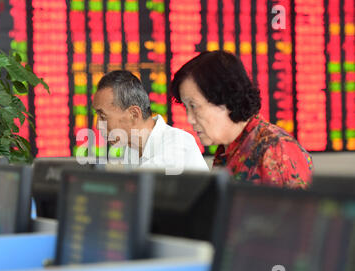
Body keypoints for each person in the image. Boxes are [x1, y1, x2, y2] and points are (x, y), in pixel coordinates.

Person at [171, 50, 314, 188]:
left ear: (223, 99)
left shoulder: (274, 150)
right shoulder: (227, 151)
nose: (190, 119)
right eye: (186, 107)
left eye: (194, 106)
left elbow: (301, 211)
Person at [92, 70, 209, 174]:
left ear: (134, 114)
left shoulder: (178, 144)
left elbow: (138, 187)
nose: (98, 125)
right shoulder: (132, 149)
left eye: (103, 117)